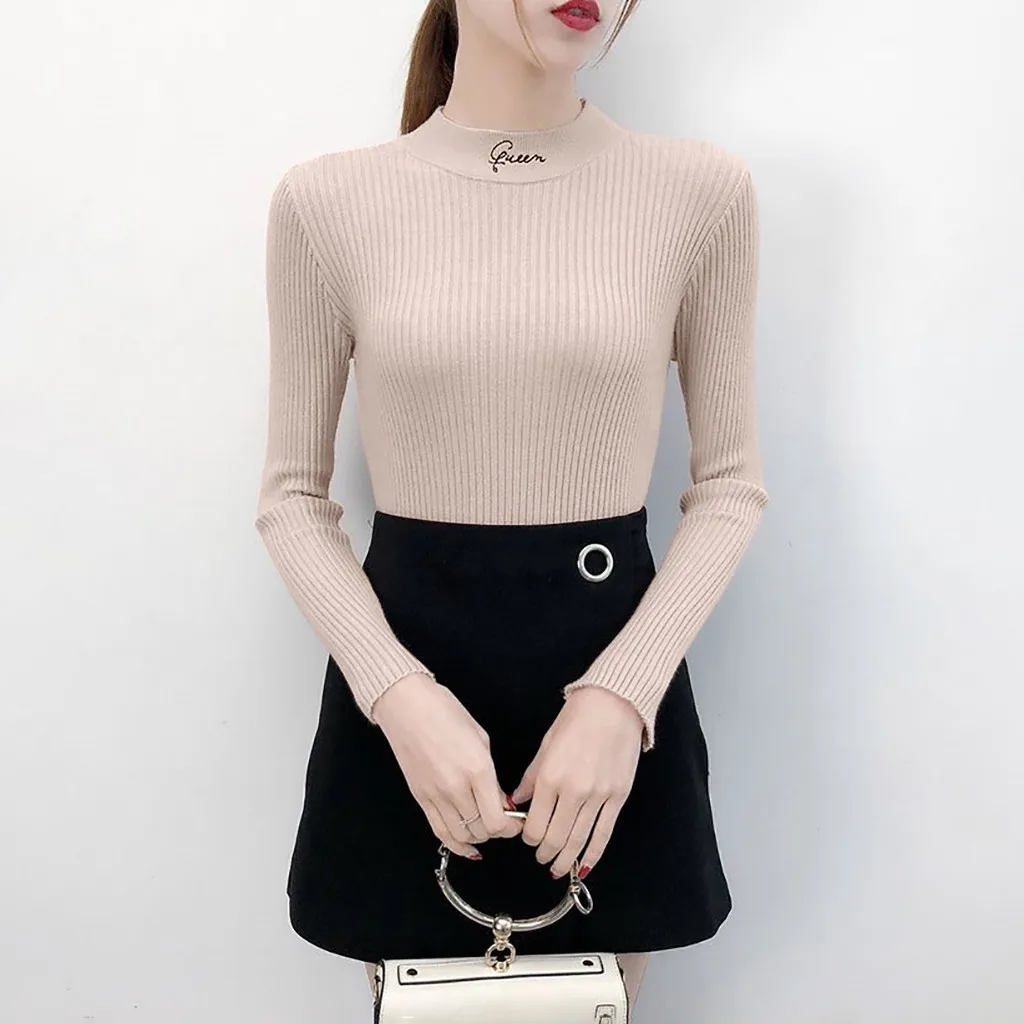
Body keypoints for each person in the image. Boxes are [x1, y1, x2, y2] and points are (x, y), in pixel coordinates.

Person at [254, 0, 770, 1017]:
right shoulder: (328, 201)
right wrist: (399, 700)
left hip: (607, 708)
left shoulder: (698, 191)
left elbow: (729, 484)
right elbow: (291, 496)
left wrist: (621, 698)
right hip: (409, 711)